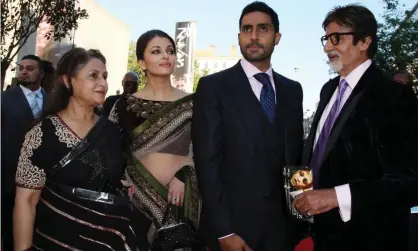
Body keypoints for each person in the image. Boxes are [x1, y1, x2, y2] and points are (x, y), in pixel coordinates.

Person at [296, 4, 418, 251]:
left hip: (369, 239)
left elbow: (409, 182)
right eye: (326, 38)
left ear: (364, 41)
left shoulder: (394, 96)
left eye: (336, 38)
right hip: (322, 236)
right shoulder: (328, 90)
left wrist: (335, 197)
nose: (327, 47)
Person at [192, 2, 304, 251]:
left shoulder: (292, 90)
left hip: (283, 232)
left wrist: (301, 222)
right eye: (246, 29)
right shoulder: (213, 87)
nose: (253, 36)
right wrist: (224, 231)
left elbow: (297, 158)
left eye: (262, 29)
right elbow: (207, 163)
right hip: (235, 232)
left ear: (277, 37)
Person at [13, 48, 142, 250]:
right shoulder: (43, 133)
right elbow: (26, 201)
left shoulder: (111, 131)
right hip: (54, 241)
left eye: (105, 76)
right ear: (68, 81)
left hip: (104, 242)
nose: (103, 83)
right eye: (93, 76)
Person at [109, 30, 201, 249]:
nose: (165, 56)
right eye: (156, 51)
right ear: (141, 62)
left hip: (179, 199)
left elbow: (205, 149)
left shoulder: (193, 104)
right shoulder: (123, 106)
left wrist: (185, 174)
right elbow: (111, 151)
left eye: (170, 51)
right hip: (136, 200)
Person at [1, 54, 46, 251]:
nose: (24, 72)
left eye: (30, 68)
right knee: (12, 231)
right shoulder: (5, 99)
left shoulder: (52, 100)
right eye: (22, 68)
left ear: (41, 74)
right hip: (10, 179)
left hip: (45, 180)